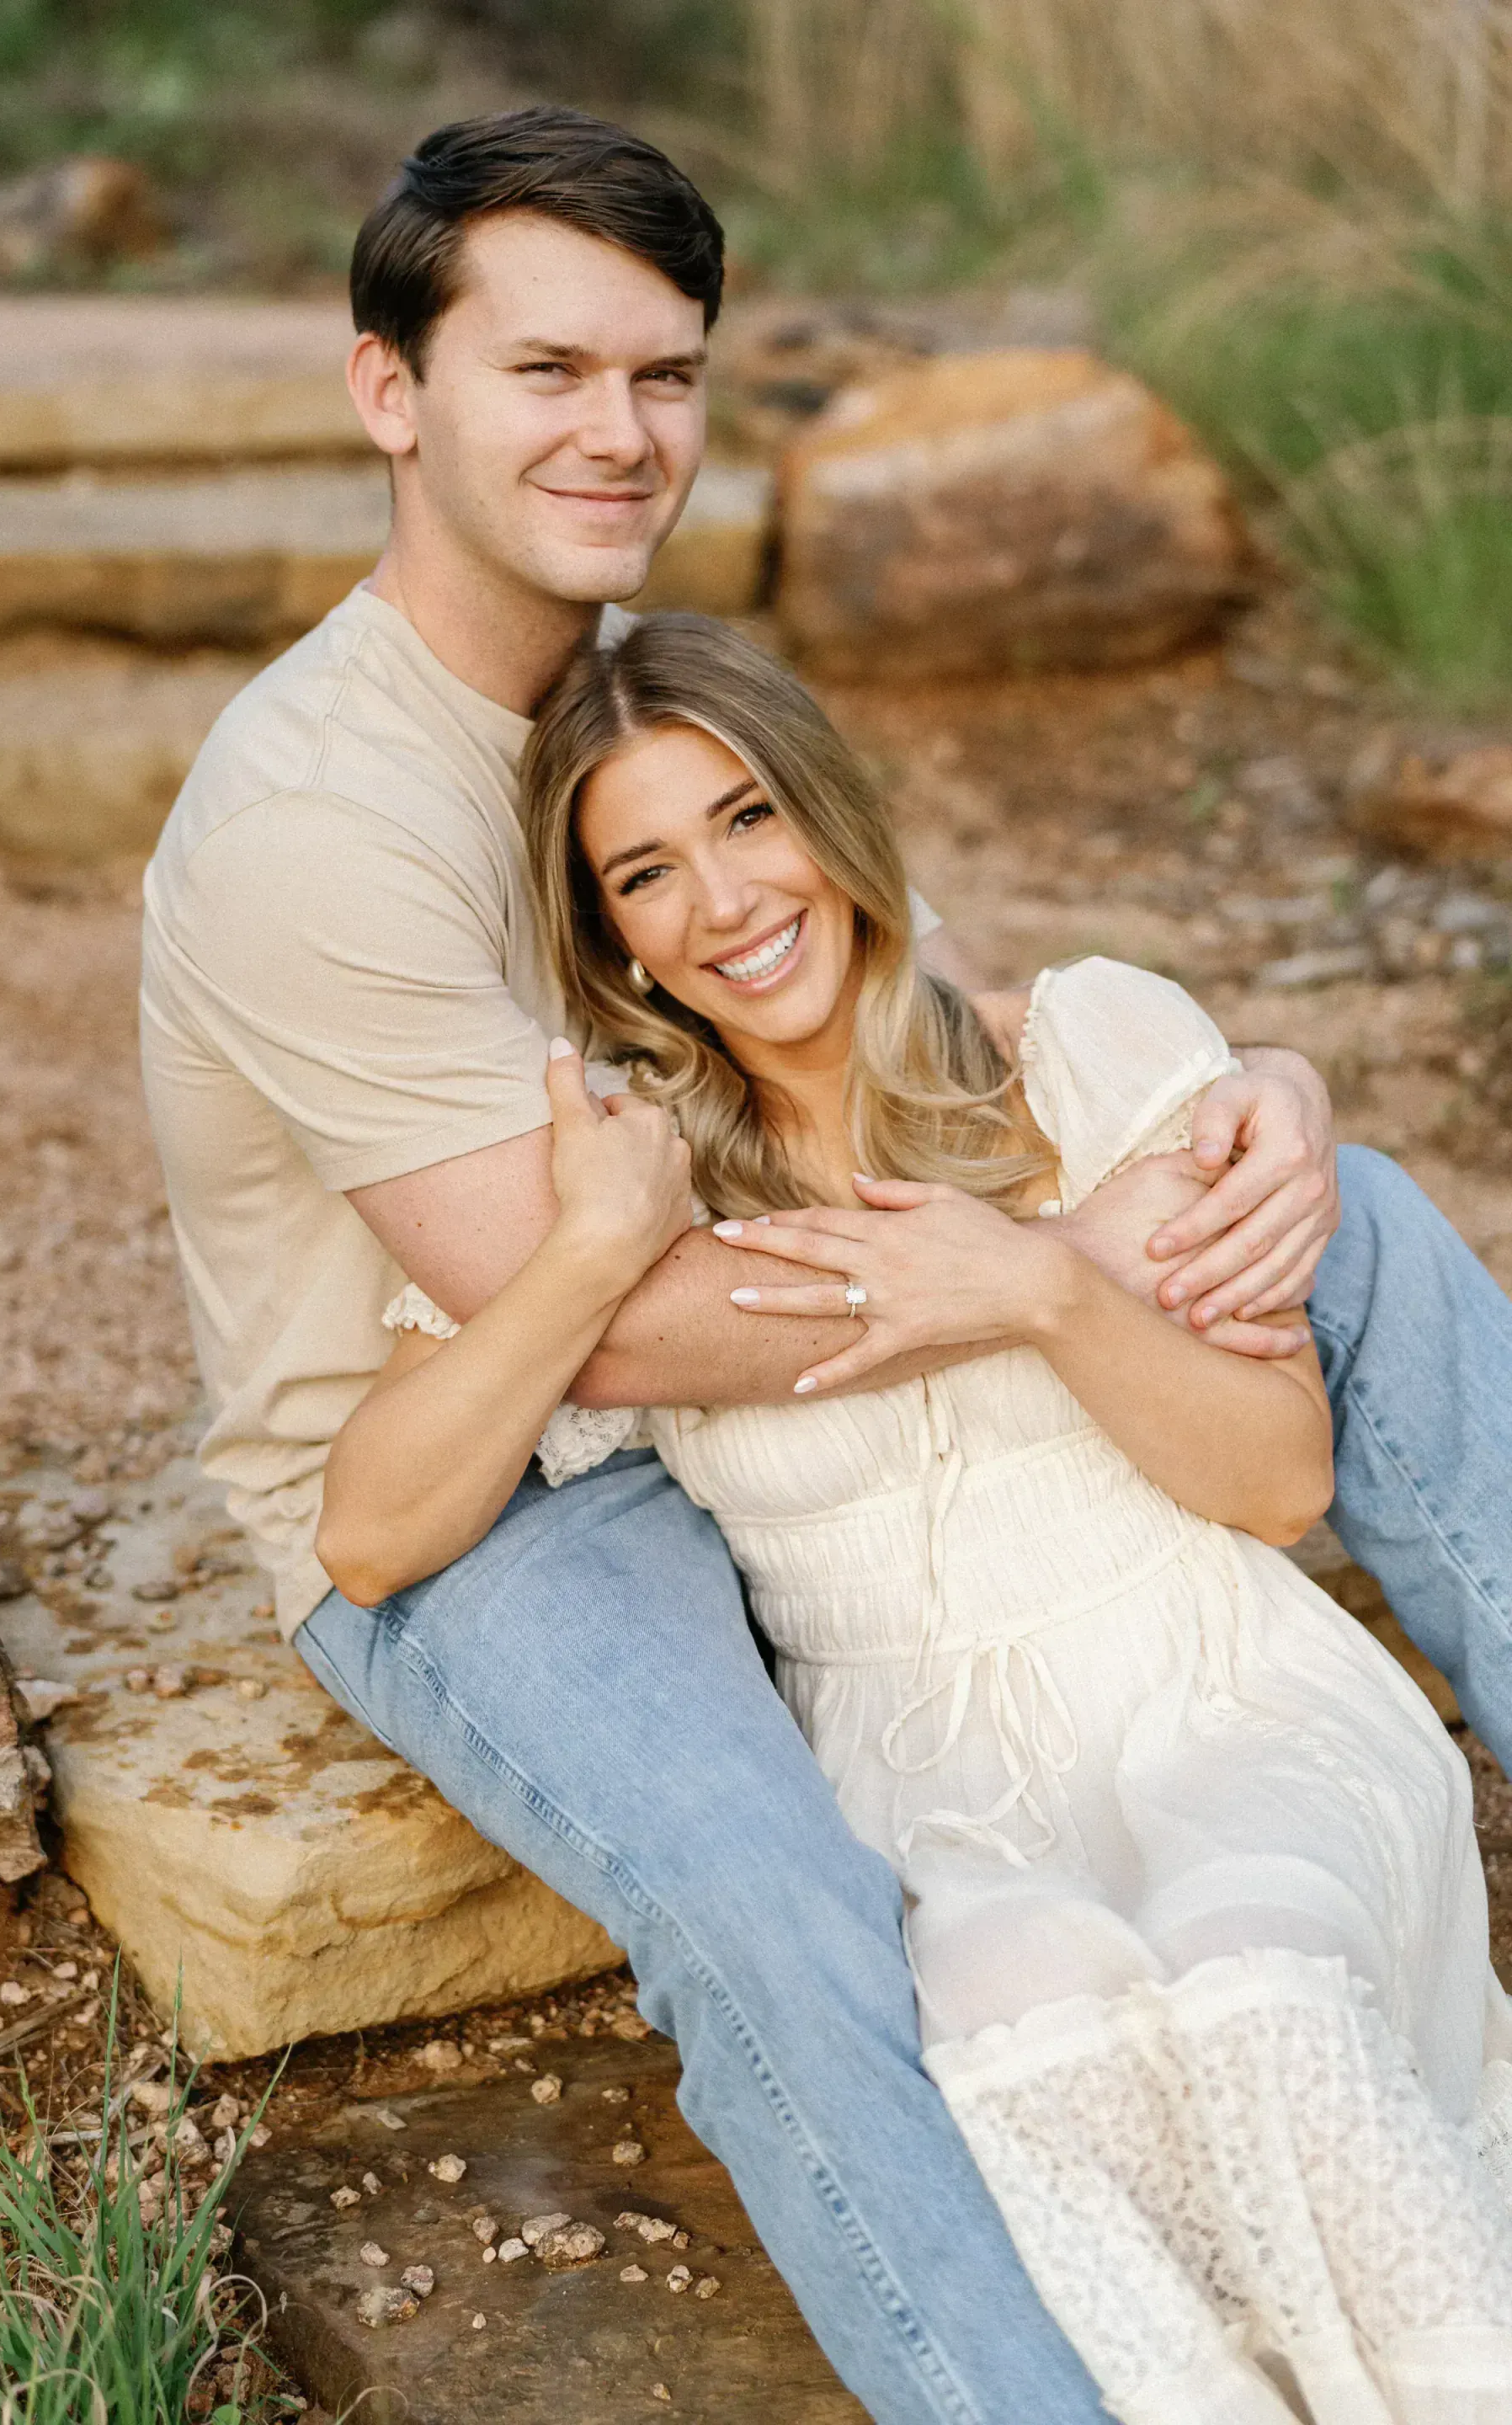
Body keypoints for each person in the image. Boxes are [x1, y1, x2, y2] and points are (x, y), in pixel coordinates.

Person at [140, 104, 1512, 2425]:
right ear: (394, 392)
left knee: (1348, 1218)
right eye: (546, 370)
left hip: (702, 1329)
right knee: (780, 1916)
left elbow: (907, 1017)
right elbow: (605, 1301)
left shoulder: (620, 681)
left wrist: (1243, 1096)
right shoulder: (319, 822)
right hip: (507, 1475)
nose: (622, 430)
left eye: (663, 374)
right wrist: (1054, 1260)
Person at [321, 610, 1512, 2424]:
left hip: (1211, 1683)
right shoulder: (639, 1180)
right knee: (1032, 2063)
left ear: (833, 811)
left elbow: (1274, 1480)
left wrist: (1035, 1289)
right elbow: (370, 1534)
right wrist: (578, 1258)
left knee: (1256, 1991)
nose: (721, 901)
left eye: (746, 820)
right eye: (647, 872)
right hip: (927, 1781)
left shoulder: (1087, 1053)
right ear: (612, 939)